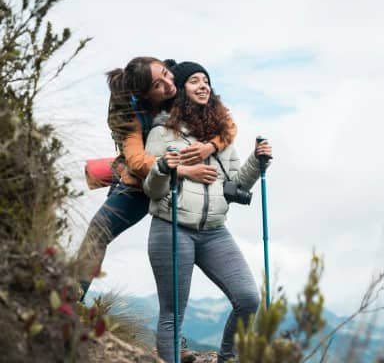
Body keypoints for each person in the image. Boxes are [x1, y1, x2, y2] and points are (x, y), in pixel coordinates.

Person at [76, 57, 237, 300]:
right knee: (98, 231)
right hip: (142, 182)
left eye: (166, 74)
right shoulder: (126, 111)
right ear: (145, 94)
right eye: (158, 85)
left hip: (188, 188)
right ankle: (70, 298)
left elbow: (228, 125)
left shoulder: (180, 81)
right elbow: (138, 162)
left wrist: (210, 147)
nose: (168, 84)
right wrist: (182, 170)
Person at [143, 61, 272, 363]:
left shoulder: (220, 138)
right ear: (181, 90)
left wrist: (258, 161)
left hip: (215, 231)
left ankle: (228, 358)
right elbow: (153, 189)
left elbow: (236, 183)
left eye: (206, 81)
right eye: (194, 81)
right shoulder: (162, 132)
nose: (203, 86)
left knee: (248, 298)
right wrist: (164, 168)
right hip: (171, 227)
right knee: (173, 312)